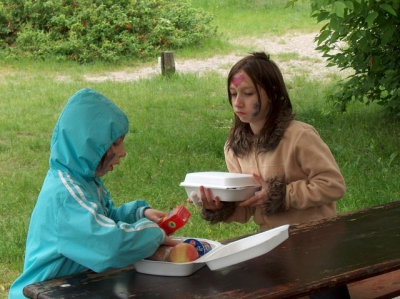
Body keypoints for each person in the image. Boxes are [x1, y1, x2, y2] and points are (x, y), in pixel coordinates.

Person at [193, 52, 350, 298]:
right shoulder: (235, 148)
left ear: (272, 93)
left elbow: (333, 185)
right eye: (234, 94)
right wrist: (220, 207)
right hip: (270, 250)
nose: (238, 103)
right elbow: (246, 209)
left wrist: (279, 194)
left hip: (317, 247)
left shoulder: (299, 136)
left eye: (248, 93)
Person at [9, 88, 177, 299]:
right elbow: (110, 246)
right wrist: (153, 233)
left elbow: (102, 220)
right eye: (115, 143)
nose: (123, 151)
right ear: (86, 146)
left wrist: (139, 214)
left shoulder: (83, 181)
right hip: (43, 294)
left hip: (73, 289)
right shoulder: (65, 195)